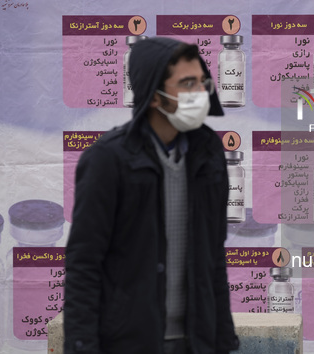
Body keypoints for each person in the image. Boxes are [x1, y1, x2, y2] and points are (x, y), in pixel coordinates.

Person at [64, 37, 239, 354]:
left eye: (202, 81)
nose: (200, 93)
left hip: (196, 342)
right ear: (155, 97)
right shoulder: (108, 160)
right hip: (129, 343)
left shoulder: (209, 153)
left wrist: (223, 341)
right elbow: (84, 265)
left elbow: (213, 257)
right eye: (187, 84)